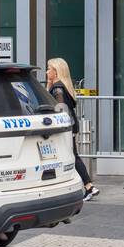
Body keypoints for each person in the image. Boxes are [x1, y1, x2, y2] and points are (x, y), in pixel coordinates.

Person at [46, 57, 97, 200]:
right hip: (70, 126)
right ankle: (88, 186)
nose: (47, 71)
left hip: (64, 128)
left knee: (71, 157)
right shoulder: (61, 86)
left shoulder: (57, 89)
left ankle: (88, 186)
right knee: (71, 156)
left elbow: (59, 108)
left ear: (56, 72)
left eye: (49, 69)